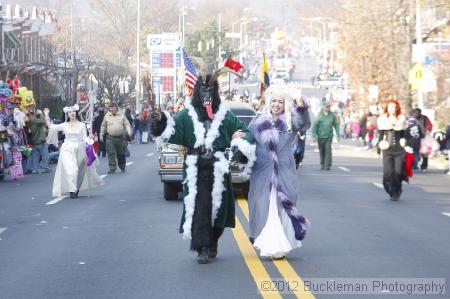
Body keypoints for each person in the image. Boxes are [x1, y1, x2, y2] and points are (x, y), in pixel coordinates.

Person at [151, 70, 255, 264]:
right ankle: (202, 247)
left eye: (210, 90)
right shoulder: (186, 115)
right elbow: (169, 134)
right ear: (197, 91)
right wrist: (160, 122)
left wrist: (240, 142)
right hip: (195, 168)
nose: (206, 94)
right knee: (199, 208)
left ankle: (213, 241)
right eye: (203, 89)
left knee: (219, 208)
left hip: (218, 168)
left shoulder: (225, 115)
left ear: (215, 92)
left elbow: (244, 131)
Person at [248, 86, 310, 259]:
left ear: (285, 105)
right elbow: (248, 139)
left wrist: (300, 104)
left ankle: (281, 246)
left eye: (281, 102)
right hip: (262, 173)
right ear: (268, 102)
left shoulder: (290, 121)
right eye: (274, 100)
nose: (277, 104)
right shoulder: (257, 121)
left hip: (284, 173)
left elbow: (304, 122)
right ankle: (266, 244)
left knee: (282, 209)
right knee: (263, 208)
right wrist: (239, 141)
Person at [44, 105, 104, 198]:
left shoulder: (82, 125)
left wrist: (90, 139)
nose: (71, 113)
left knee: (80, 171)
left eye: (73, 111)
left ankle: (76, 188)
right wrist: (46, 115)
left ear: (76, 113)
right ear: (67, 114)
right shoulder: (64, 125)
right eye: (69, 112)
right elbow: (51, 127)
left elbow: (84, 138)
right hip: (67, 148)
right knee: (72, 170)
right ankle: (72, 189)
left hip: (80, 147)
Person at [377, 99, 407, 201]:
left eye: (394, 107)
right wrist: (379, 150)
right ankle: (390, 190)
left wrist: (405, 143)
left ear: (397, 108)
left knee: (398, 172)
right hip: (387, 150)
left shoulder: (401, 119)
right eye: (390, 107)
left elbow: (404, 135)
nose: (392, 109)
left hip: (399, 150)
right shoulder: (383, 120)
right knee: (388, 173)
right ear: (387, 109)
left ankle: (397, 190)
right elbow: (380, 137)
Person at [100, 102, 131, 174]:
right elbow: (103, 126)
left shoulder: (122, 115)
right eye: (110, 108)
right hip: (110, 138)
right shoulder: (106, 116)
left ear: (116, 108)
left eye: (113, 107)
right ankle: (112, 168)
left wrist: (129, 132)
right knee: (110, 153)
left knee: (121, 153)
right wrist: (101, 135)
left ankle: (122, 166)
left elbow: (127, 124)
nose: (111, 109)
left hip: (120, 137)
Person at [312, 102, 339, 170]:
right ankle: (322, 163)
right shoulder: (319, 115)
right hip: (320, 136)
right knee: (322, 151)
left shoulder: (332, 115)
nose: (328, 108)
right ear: (323, 107)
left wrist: (338, 134)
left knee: (328, 150)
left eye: (329, 107)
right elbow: (315, 125)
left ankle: (327, 165)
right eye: (327, 107)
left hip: (329, 136)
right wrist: (314, 135)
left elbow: (336, 124)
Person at [28, 109, 51, 174]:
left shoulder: (30, 121)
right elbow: (44, 121)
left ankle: (35, 169)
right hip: (40, 140)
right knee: (45, 155)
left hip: (34, 140)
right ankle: (45, 167)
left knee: (36, 156)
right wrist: (42, 114)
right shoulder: (34, 120)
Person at [291, 96, 311, 169]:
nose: (300, 103)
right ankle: (292, 162)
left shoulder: (306, 112)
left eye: (301, 102)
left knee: (300, 149)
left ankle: (298, 161)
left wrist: (303, 129)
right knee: (292, 149)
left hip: (302, 133)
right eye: (298, 101)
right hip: (293, 133)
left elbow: (309, 123)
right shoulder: (292, 110)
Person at [412, 108, 432, 172]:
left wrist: (427, 130)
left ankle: (424, 166)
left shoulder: (424, 118)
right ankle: (415, 165)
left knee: (424, 152)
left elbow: (429, 125)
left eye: (418, 113)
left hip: (423, 137)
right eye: (415, 113)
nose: (417, 114)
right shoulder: (411, 118)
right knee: (414, 151)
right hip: (414, 137)